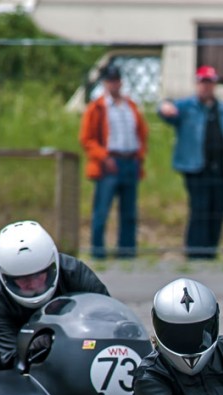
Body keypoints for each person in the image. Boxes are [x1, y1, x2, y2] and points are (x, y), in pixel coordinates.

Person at [0, 220, 110, 370]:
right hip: (15, 339)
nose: (34, 285)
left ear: (52, 266)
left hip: (73, 334)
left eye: (39, 275)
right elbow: (10, 359)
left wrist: (58, 341)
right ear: (7, 278)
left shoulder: (75, 273)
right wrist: (30, 348)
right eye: (24, 279)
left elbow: (107, 316)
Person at [157, 65, 223, 260]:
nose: (206, 87)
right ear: (197, 84)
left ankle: (211, 251)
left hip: (221, 169)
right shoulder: (188, 107)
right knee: (200, 209)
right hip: (196, 168)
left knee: (217, 210)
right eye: (203, 83)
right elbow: (166, 111)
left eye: (210, 83)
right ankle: (196, 252)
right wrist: (165, 107)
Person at [79, 64, 149, 259]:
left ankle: (127, 251)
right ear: (104, 83)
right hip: (109, 164)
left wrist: (139, 156)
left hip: (130, 161)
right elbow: (87, 138)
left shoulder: (130, 106)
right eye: (110, 81)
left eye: (116, 80)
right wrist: (103, 156)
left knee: (129, 212)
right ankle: (98, 251)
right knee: (101, 210)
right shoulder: (97, 108)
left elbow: (142, 134)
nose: (114, 85)